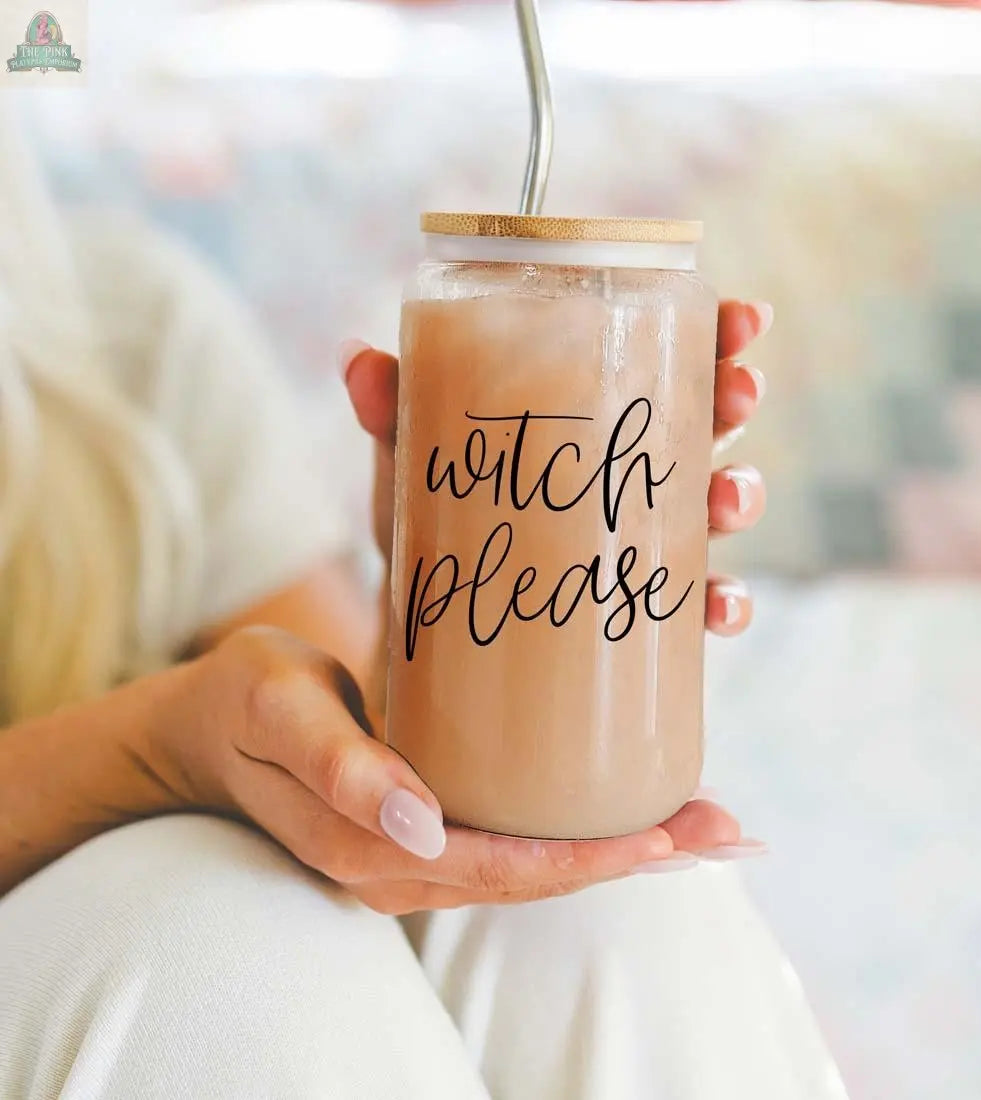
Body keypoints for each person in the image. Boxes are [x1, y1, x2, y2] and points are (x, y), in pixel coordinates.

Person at [0, 108, 847, 1099]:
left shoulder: (120, 329)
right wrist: (145, 748)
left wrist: (458, 649)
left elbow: (371, 806)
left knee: (600, 907)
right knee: (214, 946)